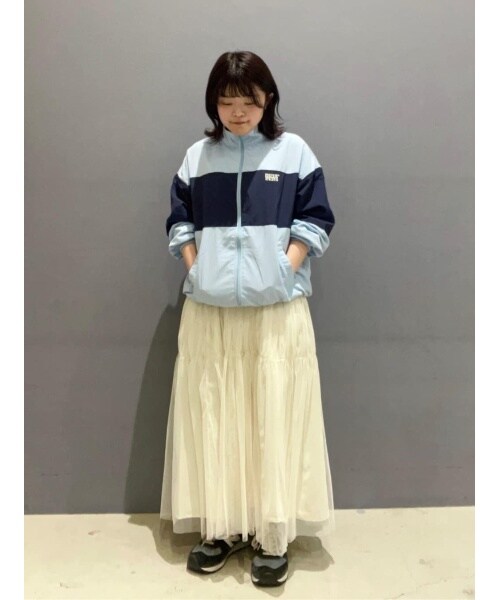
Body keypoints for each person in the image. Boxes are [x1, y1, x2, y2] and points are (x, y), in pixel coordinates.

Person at [160, 50, 336, 588]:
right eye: (227, 101)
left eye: (249, 101)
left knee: (271, 416)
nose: (238, 112)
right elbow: (179, 222)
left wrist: (285, 269)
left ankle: (270, 534)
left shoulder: (294, 152)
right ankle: (222, 528)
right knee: (216, 414)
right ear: (213, 103)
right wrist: (197, 270)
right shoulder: (197, 157)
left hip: (276, 314)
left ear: (268, 100)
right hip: (210, 314)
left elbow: (315, 219)